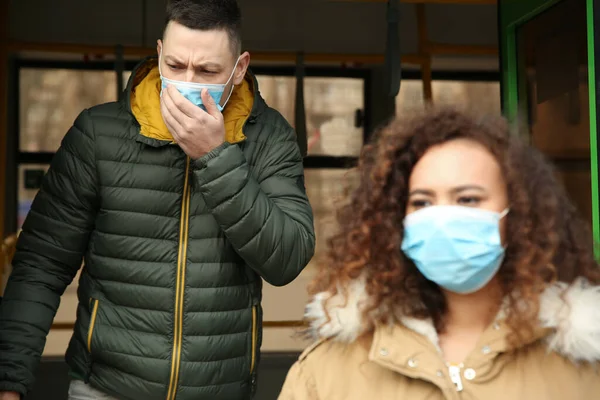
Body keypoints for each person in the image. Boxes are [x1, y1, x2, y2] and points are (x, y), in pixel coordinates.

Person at [0, 0, 315, 399]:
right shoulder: (98, 133)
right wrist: (9, 380)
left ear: (239, 68)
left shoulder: (270, 137)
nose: (187, 80)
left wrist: (215, 157)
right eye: (176, 65)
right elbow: (40, 265)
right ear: (160, 52)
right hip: (104, 388)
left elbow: (287, 259)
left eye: (207, 71)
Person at [278, 108, 600, 399]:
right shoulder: (329, 371)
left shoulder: (582, 371)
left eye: (468, 199)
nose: (443, 219)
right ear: (395, 220)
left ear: (517, 215)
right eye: (422, 203)